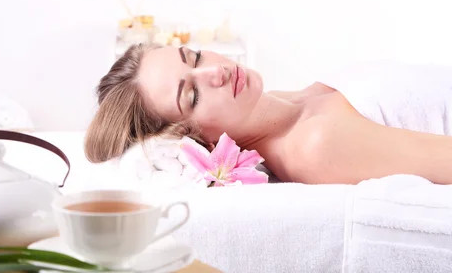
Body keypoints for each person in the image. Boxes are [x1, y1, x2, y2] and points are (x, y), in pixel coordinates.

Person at [84, 43, 452, 185]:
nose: (215, 72)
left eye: (194, 57)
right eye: (192, 94)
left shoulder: (286, 102)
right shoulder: (313, 146)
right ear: (194, 137)